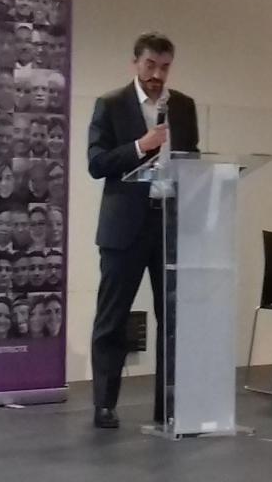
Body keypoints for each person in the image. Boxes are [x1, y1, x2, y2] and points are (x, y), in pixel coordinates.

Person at [88, 32, 199, 429]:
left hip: (169, 223)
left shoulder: (183, 106)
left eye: (165, 67)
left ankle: (167, 405)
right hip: (124, 228)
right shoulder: (111, 104)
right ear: (135, 63)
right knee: (112, 318)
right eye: (150, 65)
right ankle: (104, 404)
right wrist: (141, 145)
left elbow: (193, 159)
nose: (157, 75)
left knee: (171, 317)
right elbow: (97, 163)